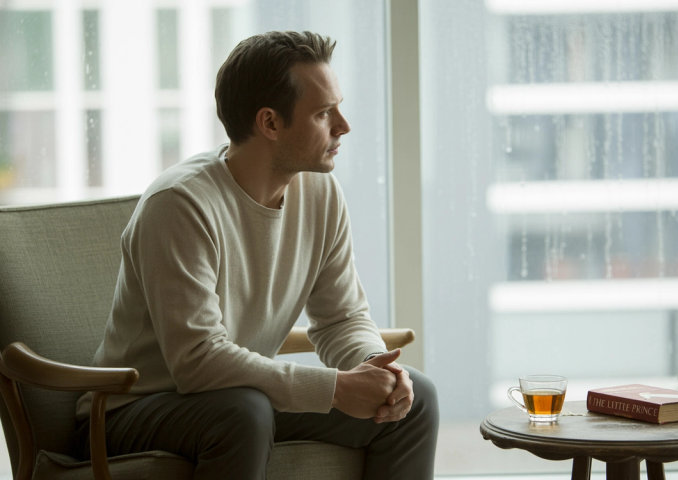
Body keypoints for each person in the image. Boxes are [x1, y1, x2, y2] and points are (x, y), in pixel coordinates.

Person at [74, 31, 439, 479]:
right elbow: (198, 361)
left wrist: (373, 370)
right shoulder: (179, 205)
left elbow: (342, 319)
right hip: (131, 409)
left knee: (413, 399)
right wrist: (335, 388)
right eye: (324, 113)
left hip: (239, 398)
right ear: (269, 123)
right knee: (244, 410)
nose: (343, 125)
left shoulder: (320, 191)